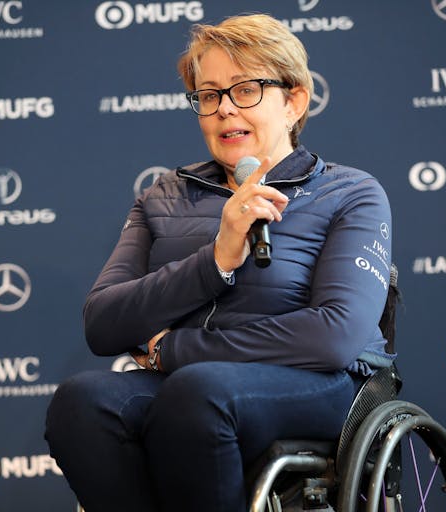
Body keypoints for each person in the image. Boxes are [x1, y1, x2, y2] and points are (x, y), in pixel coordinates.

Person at [45, 13, 393, 512]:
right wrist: (215, 261)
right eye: (209, 96)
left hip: (322, 385)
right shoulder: (164, 196)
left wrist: (177, 351)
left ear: (294, 101)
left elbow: (334, 335)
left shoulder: (350, 193)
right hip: (191, 392)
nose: (225, 109)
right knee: (82, 404)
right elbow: (102, 324)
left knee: (198, 391)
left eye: (246, 89)